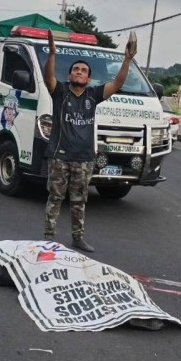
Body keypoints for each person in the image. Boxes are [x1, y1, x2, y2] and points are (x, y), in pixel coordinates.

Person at [42, 30, 137, 253]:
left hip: (84, 158)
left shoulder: (93, 95)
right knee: (55, 198)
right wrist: (52, 54)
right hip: (59, 156)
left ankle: (77, 238)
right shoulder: (60, 91)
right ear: (70, 75)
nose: (79, 72)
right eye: (76, 69)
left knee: (79, 201)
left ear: (89, 78)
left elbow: (117, 83)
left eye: (84, 71)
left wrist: (127, 59)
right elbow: (48, 77)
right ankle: (48, 238)